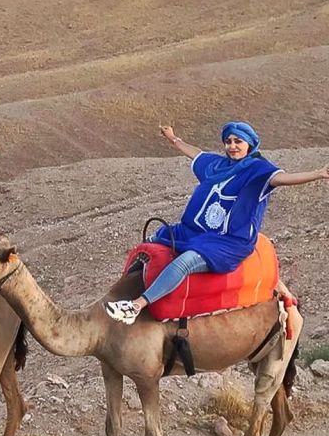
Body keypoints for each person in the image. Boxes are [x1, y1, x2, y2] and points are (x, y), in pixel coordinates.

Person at [106, 121, 329, 325]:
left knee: (186, 261)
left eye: (238, 141)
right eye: (228, 141)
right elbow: (197, 155)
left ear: (249, 144)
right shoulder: (218, 165)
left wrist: (317, 174)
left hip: (229, 242)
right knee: (155, 239)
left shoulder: (258, 169)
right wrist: (173, 139)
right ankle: (121, 292)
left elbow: (283, 179)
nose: (232, 146)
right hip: (196, 231)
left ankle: (136, 306)